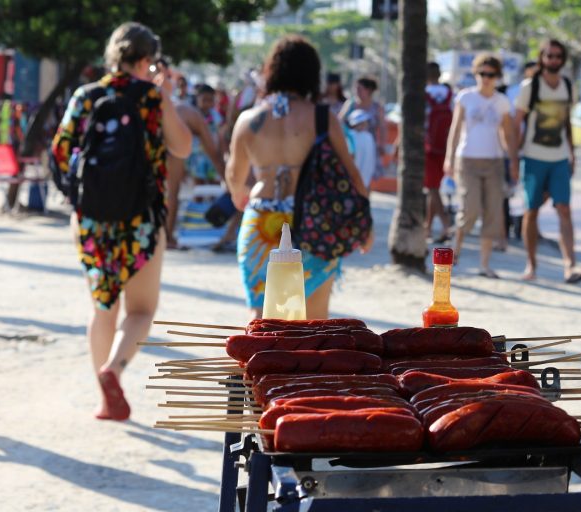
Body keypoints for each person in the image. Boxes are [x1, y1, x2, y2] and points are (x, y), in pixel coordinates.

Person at [51, 22, 191, 420]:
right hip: (140, 222)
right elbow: (182, 146)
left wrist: (80, 197)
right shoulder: (151, 97)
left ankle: (104, 397)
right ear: (147, 60)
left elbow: (59, 154)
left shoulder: (87, 95)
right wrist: (164, 97)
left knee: (102, 309)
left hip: (92, 222)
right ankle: (114, 368)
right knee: (141, 310)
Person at [226, 36, 372, 320]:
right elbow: (352, 173)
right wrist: (365, 224)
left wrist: (241, 197)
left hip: (261, 221)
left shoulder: (249, 119)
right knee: (314, 323)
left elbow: (234, 177)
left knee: (262, 319)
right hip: (314, 222)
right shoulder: (321, 117)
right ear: (311, 74)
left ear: (272, 71)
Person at [513, 39, 581, 284]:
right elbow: (518, 123)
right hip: (534, 157)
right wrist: (514, 157)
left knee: (564, 209)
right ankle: (531, 265)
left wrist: (572, 153)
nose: (554, 60)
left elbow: (567, 121)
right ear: (542, 58)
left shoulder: (568, 86)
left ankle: (570, 265)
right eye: (549, 56)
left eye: (558, 56)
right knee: (531, 211)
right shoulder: (530, 87)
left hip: (559, 158)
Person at [444, 53, 518, 279]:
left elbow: (507, 133)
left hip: (494, 161)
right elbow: (455, 129)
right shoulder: (465, 97)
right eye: (482, 73)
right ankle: (455, 248)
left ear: (497, 76)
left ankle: (484, 265)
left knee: (493, 212)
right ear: (475, 74)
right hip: (467, 159)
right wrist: (449, 157)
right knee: (470, 208)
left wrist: (513, 160)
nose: (486, 78)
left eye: (491, 74)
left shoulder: (502, 102)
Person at [165, 101, 226, 250]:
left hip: (163, 134)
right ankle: (167, 237)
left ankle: (166, 235)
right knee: (172, 193)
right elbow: (214, 154)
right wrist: (229, 181)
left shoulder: (184, 111)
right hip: (173, 140)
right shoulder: (194, 117)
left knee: (169, 193)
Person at [424, 62, 453, 244]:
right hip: (446, 147)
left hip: (428, 147)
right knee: (433, 187)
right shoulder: (450, 94)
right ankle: (427, 227)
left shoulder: (423, 94)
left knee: (432, 188)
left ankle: (446, 225)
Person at [339, 76, 386, 180]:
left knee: (367, 176)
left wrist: (382, 144)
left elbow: (383, 128)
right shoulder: (350, 104)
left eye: (360, 89)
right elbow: (339, 122)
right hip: (352, 147)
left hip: (369, 146)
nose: (357, 92)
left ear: (368, 90)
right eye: (356, 89)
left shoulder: (377, 107)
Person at [346, 109, 376, 190]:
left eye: (364, 122)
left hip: (365, 176)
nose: (363, 125)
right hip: (352, 175)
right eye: (361, 123)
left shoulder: (369, 137)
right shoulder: (350, 136)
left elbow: (371, 157)